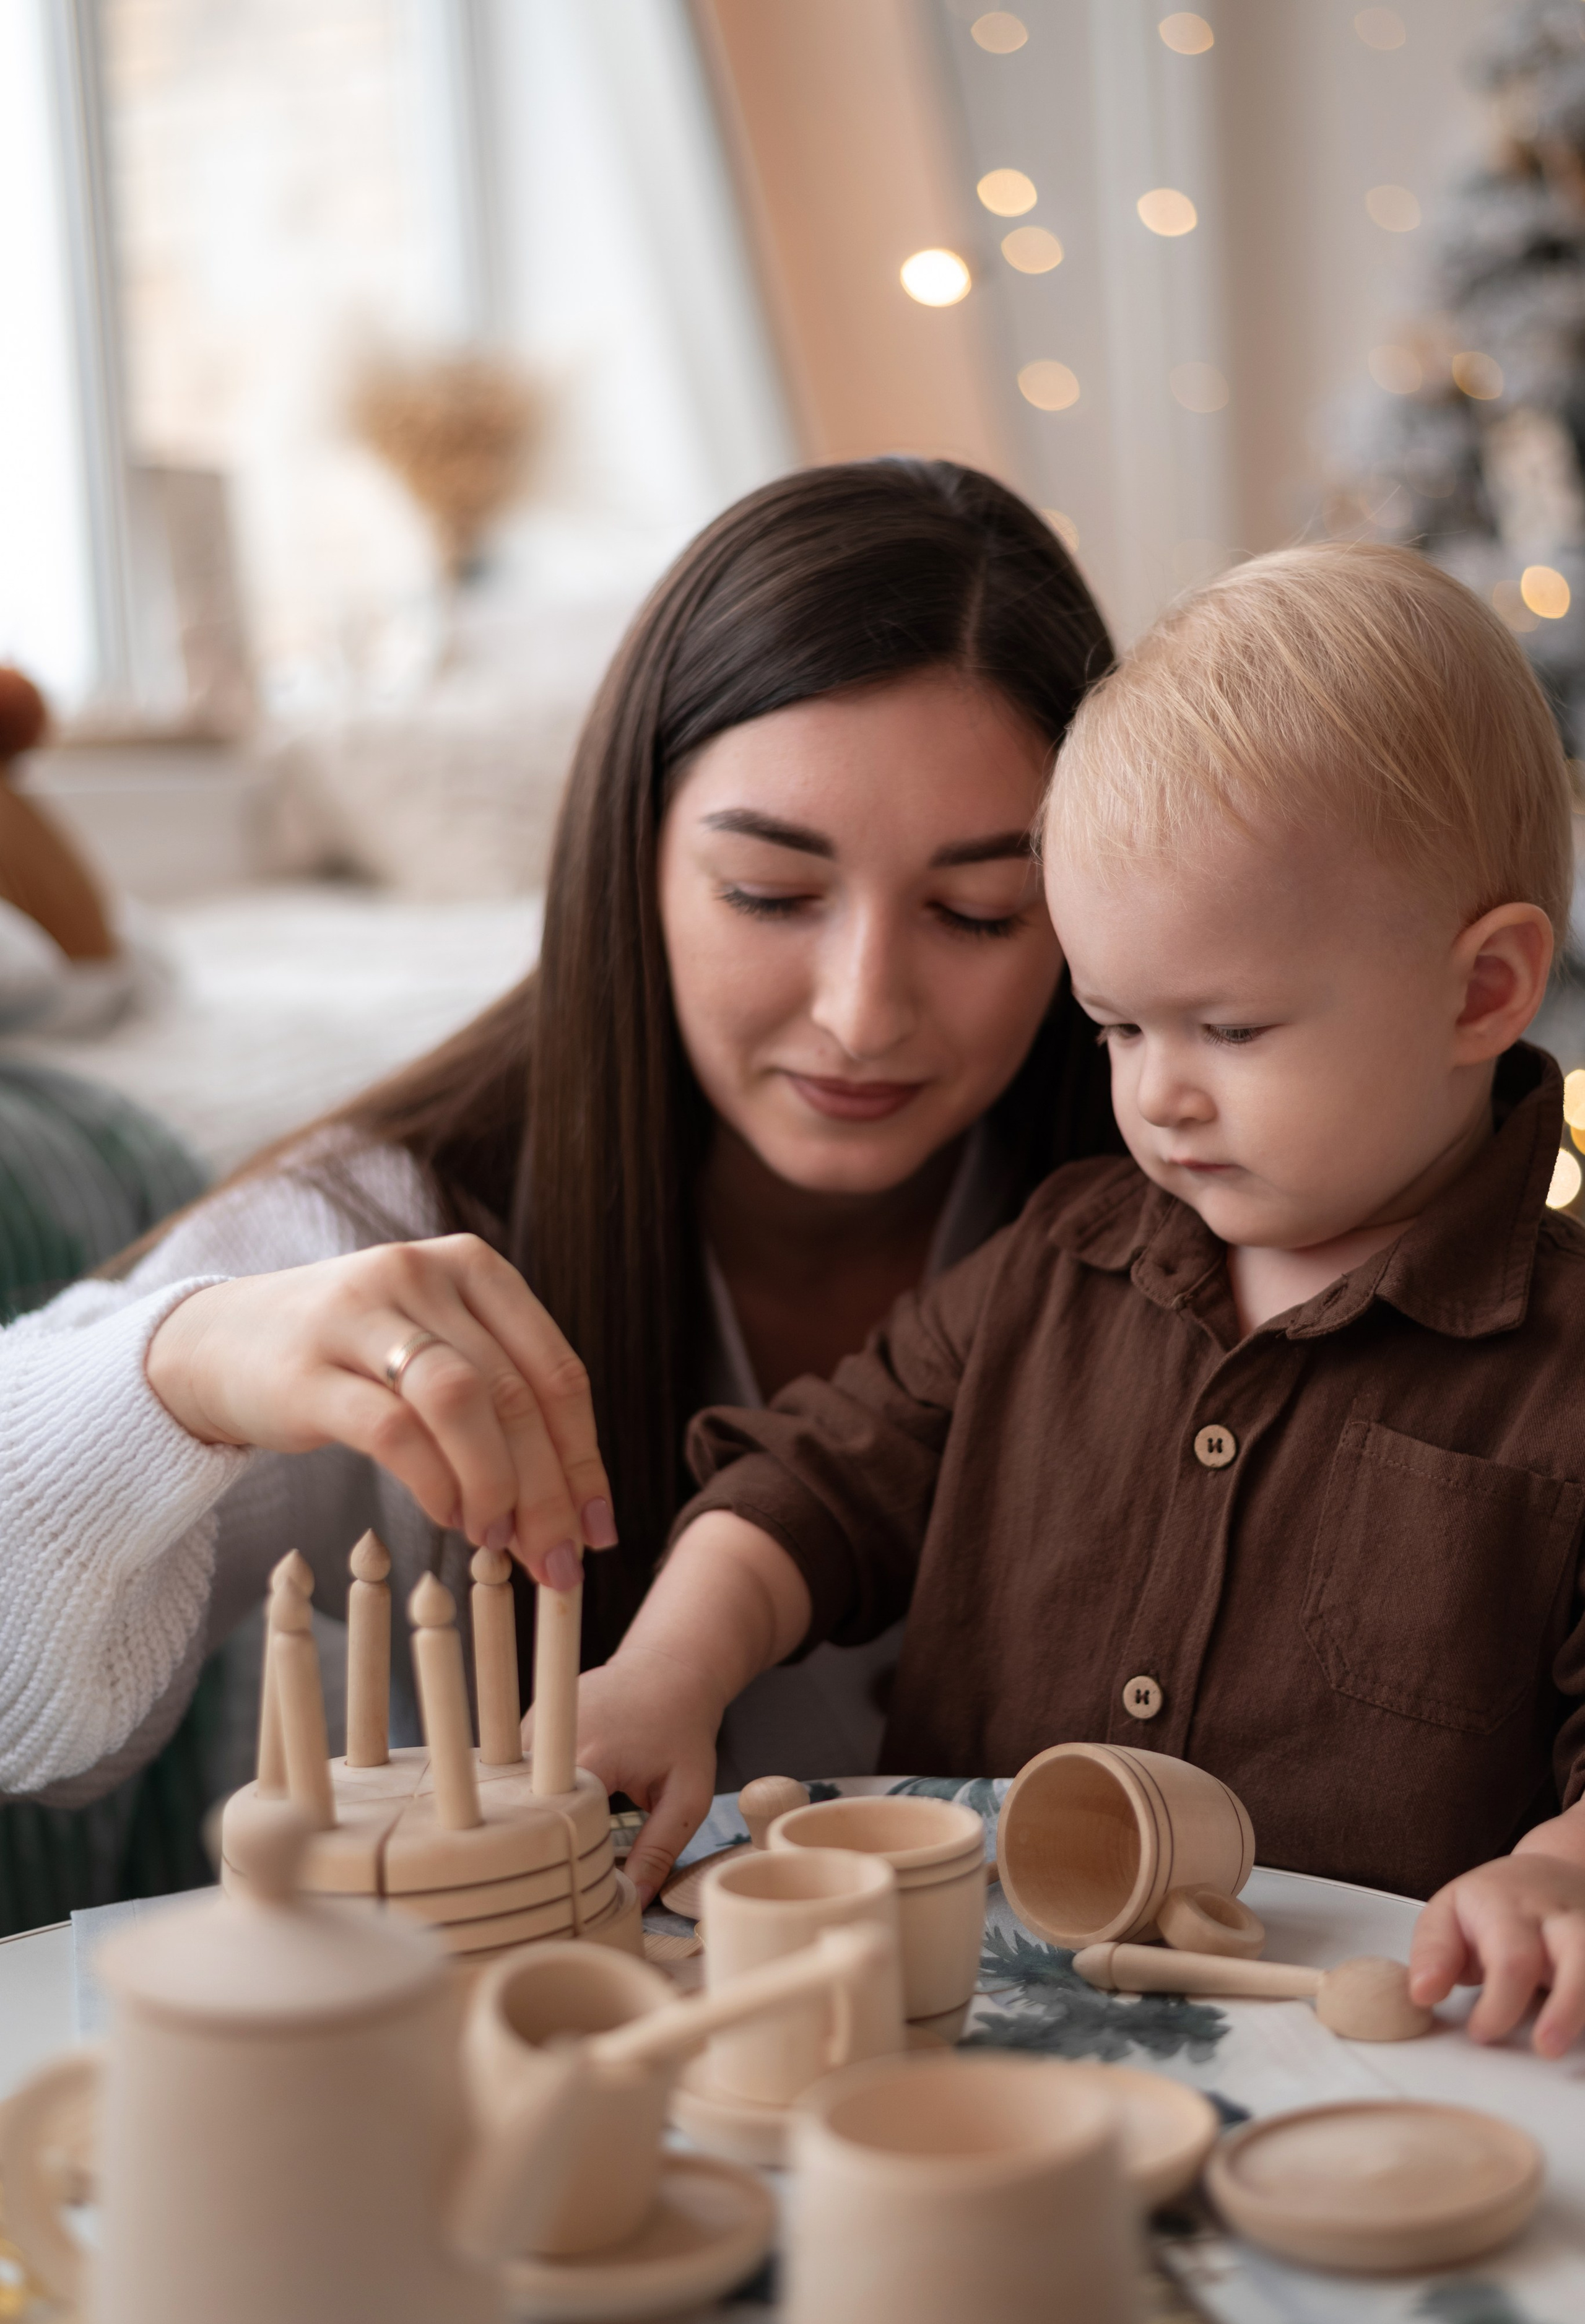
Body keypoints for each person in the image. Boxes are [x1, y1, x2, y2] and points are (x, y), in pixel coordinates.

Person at [571, 542, 1585, 2052]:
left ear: (1480, 993)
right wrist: (662, 1671)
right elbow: (814, 1479)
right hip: (959, 2017)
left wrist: (1557, 1874)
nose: (1157, 1095)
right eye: (1113, 1025)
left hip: (1359, 2061)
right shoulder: (1058, 1257)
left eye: (1228, 1028)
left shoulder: (1560, 1367)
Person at [0, 458, 1123, 1809]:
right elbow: (41, 1739)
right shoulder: (388, 1221)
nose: (861, 1011)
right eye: (769, 894)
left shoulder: (1185, 1221)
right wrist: (185, 1361)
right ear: (628, 855)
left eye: (980, 912)